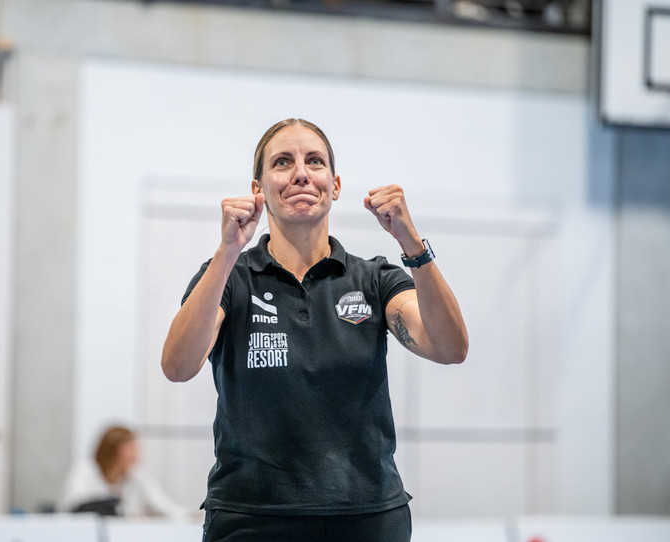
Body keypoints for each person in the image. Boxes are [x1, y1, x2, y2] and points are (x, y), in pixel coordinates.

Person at [161, 118, 468, 541]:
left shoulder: (375, 279)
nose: (301, 173)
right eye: (283, 162)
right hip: (251, 518)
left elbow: (450, 347)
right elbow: (178, 366)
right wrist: (227, 251)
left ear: (335, 185)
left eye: (314, 161)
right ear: (259, 189)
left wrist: (412, 245)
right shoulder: (229, 278)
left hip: (368, 518)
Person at [58, 425, 189, 519]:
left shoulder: (136, 475)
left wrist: (189, 515)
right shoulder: (86, 470)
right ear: (113, 450)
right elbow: (73, 505)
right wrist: (127, 514)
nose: (136, 453)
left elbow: (163, 505)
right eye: (130, 448)